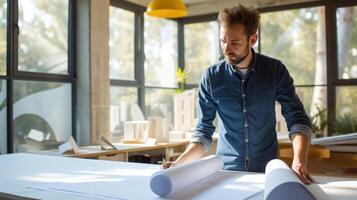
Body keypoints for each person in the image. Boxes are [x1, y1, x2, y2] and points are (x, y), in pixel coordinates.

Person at [163, 4, 313, 184]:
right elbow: (203, 132)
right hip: (226, 173)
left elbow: (297, 120)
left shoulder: (275, 71)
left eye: (234, 42)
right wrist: (179, 164)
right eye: (222, 41)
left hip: (266, 172)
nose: (226, 48)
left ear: (253, 39)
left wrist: (299, 160)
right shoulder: (211, 77)